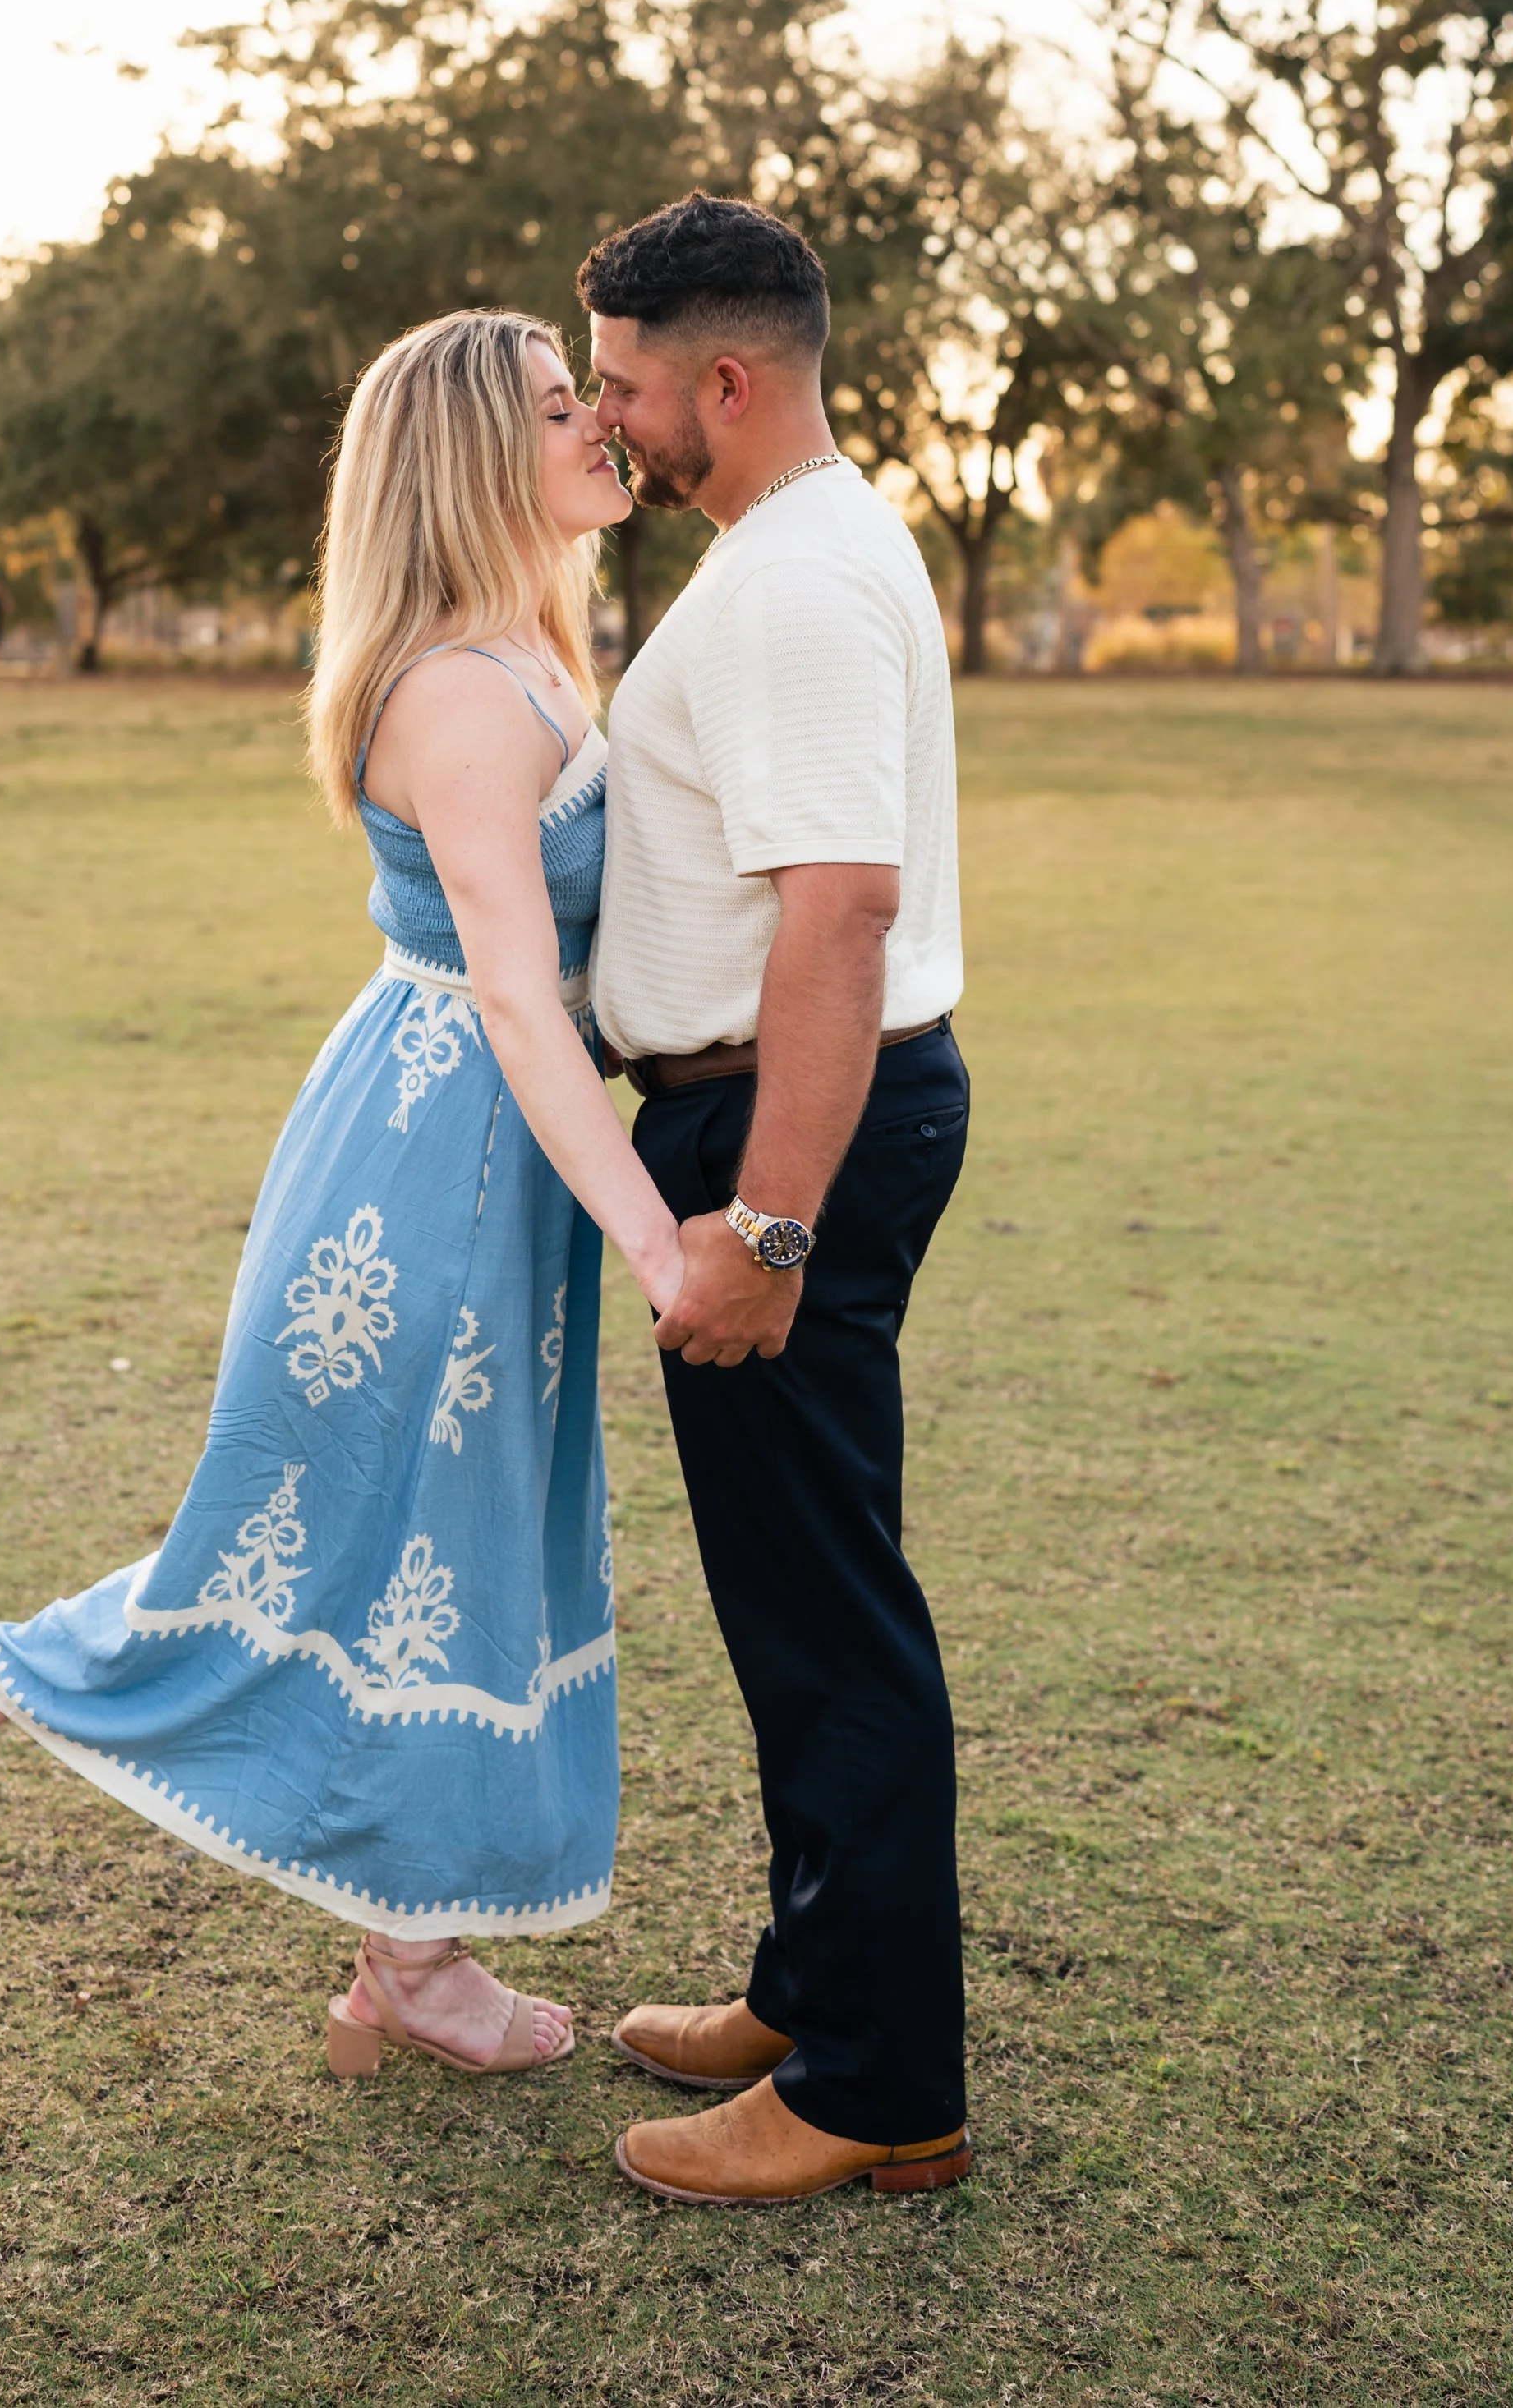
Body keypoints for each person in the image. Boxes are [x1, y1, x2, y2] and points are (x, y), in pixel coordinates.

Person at [0, 311, 686, 2078]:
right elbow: (521, 993)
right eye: (555, 405)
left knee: (434, 1554)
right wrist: (656, 1234)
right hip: (439, 1166)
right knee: (340, 1536)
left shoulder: (513, 653)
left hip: (476, 1146)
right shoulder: (456, 692)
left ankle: (406, 1960)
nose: (598, 421)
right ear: (466, 458)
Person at [582, 194, 973, 2205]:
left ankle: (876, 2087)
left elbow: (840, 912)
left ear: (720, 380)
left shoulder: (798, 583)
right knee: (799, 1596)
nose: (608, 420)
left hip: (786, 1144)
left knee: (825, 1617)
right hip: (763, 1127)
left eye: (625, 385)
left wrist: (770, 1222)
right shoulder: (782, 556)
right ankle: (814, 1988)